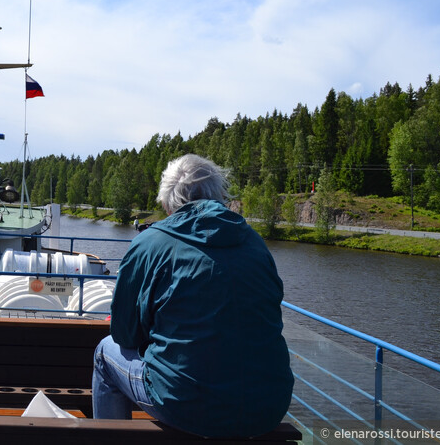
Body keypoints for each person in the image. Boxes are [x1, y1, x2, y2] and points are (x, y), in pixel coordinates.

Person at [93, 154, 294, 438]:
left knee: (104, 352)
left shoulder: (149, 244)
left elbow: (124, 335)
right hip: (268, 405)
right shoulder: (254, 242)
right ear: (220, 195)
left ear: (166, 202)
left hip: (187, 407)